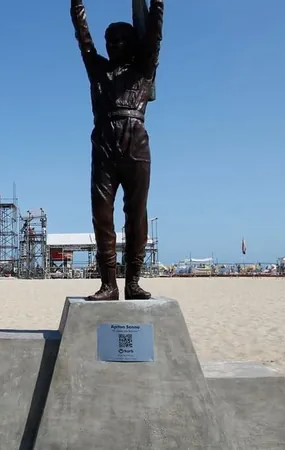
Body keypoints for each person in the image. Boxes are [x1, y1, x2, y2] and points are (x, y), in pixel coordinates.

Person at [70, 0, 163, 300]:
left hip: (136, 142)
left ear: (131, 43)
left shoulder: (143, 69)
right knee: (102, 216)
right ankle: (108, 283)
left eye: (120, 39)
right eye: (110, 40)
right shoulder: (97, 69)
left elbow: (155, 34)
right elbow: (83, 37)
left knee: (136, 215)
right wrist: (77, 4)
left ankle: (133, 281)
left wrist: (157, 3)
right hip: (104, 146)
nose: (113, 44)